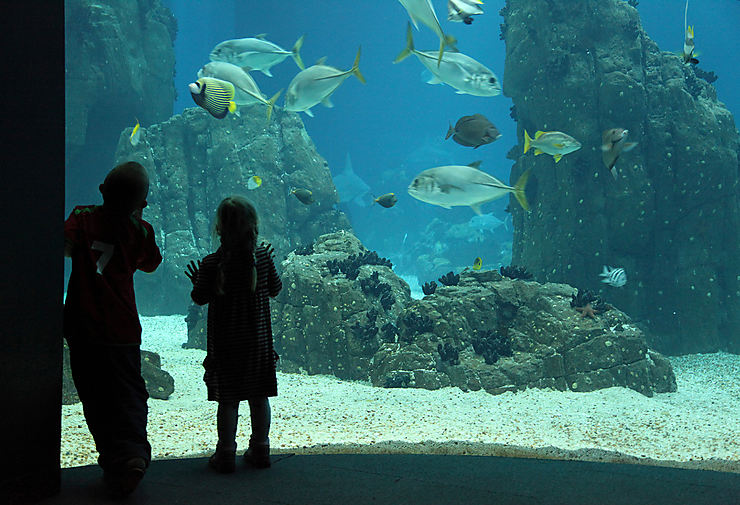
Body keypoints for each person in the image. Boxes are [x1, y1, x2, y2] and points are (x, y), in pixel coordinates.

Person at [63, 161, 162, 496]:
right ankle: (133, 453)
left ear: (102, 191)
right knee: (129, 392)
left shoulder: (81, 216)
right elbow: (150, 264)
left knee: (93, 394)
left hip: (83, 324)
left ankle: (111, 457)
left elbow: (63, 246)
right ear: (142, 204)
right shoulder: (141, 230)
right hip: (122, 330)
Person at [185, 195, 282, 473]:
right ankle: (261, 449)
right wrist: (267, 266)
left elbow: (200, 297)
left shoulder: (211, 263)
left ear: (218, 229)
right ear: (254, 226)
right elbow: (276, 289)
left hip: (226, 347)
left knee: (228, 401)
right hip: (258, 346)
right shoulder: (262, 257)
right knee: (258, 397)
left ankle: (226, 453)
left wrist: (198, 280)